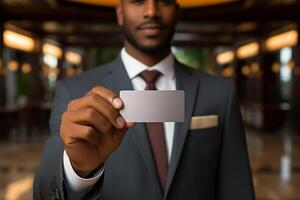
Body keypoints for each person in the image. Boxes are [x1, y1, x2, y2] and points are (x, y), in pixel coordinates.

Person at [34, 0, 255, 199]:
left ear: (177, 13)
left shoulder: (220, 91)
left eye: (164, 0)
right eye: (138, 0)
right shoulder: (75, 91)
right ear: (120, 13)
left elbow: (237, 188)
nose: (151, 11)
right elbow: (44, 191)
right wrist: (78, 170)